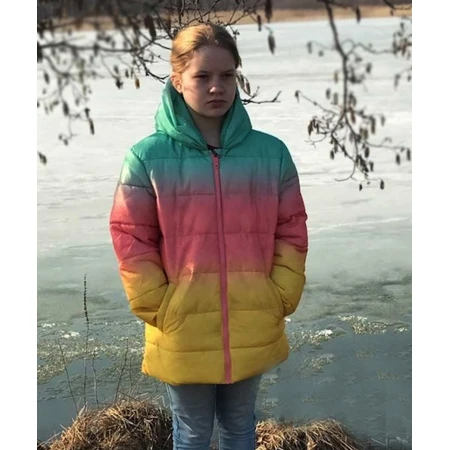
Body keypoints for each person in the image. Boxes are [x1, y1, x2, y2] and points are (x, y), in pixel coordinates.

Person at [109, 22, 308, 450]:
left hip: (252, 316)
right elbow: (131, 238)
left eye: (227, 75)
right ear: (178, 79)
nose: (217, 87)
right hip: (182, 323)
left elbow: (291, 228)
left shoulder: (270, 153)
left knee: (240, 428)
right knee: (193, 434)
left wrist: (280, 294)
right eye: (202, 76)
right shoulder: (147, 157)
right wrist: (158, 305)